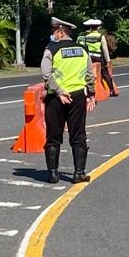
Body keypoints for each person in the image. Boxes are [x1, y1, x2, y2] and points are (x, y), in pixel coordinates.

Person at [41, 17, 96, 184]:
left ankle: (53, 174)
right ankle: (79, 173)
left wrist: (59, 91)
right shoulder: (82, 49)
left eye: (54, 31)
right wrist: (91, 94)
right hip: (78, 96)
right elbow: (90, 74)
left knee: (54, 135)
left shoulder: (51, 49)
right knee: (78, 134)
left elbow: (46, 74)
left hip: (56, 98)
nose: (53, 34)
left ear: (60, 31)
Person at [81, 18, 118, 97]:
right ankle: (112, 90)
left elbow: (85, 48)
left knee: (88, 74)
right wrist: (108, 61)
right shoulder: (100, 36)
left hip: (89, 58)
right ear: (98, 28)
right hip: (98, 58)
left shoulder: (86, 37)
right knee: (105, 74)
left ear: (91, 27)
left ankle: (88, 91)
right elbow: (105, 49)